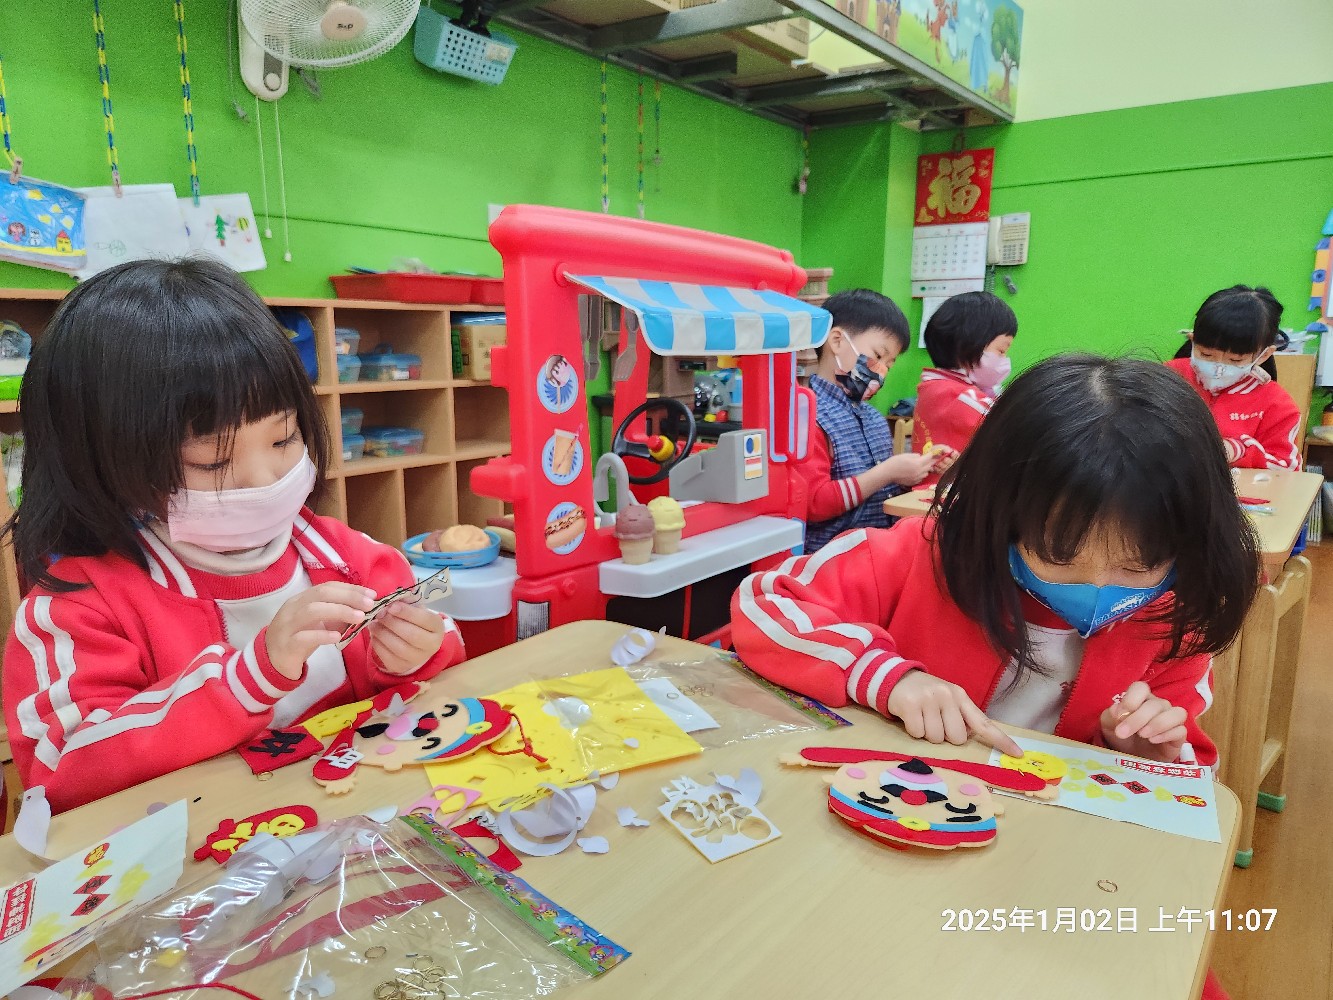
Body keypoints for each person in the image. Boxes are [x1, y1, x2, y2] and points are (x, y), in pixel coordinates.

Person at [2, 259, 467, 813]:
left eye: (284, 438)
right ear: (104, 462)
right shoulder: (80, 607)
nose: (264, 479)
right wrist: (247, 678)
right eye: (212, 460)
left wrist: (414, 654)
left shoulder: (341, 553)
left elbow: (439, 664)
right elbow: (59, 772)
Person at [733, 354, 1259, 771]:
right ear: (1003, 516)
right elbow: (766, 602)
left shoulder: (1176, 621)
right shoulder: (921, 555)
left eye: (1138, 566)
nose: (1098, 585)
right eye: (1059, 555)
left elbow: (1189, 774)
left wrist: (1145, 755)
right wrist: (886, 677)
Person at [799, 289, 954, 553]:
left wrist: (918, 469)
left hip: (877, 549)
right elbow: (813, 504)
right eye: (878, 356)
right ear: (837, 341)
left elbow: (883, 490)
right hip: (830, 557)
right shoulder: (808, 415)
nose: (881, 370)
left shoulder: (872, 418)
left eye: (889, 364)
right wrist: (887, 473)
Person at [1167, 285, 1301, 470]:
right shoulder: (1169, 377)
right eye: (1206, 354)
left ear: (1263, 355)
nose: (1218, 369)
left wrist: (1238, 451)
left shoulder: (1277, 405)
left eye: (1235, 360)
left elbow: (1287, 467)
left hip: (1235, 487)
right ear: (1192, 340)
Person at [914, 291, 1017, 485]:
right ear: (967, 346)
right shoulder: (955, 394)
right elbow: (1013, 425)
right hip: (944, 495)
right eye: (1001, 351)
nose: (1004, 360)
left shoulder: (936, 386)